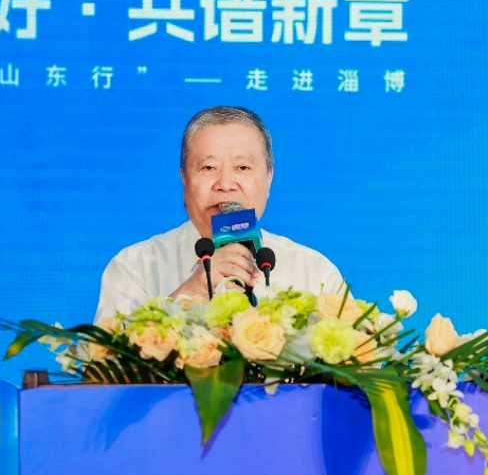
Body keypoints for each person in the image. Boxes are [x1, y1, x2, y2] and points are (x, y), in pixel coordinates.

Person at [95, 106, 344, 320]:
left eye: (242, 167)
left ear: (269, 178)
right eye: (208, 167)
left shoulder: (314, 272)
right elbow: (105, 359)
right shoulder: (134, 267)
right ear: (184, 178)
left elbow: (358, 355)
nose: (225, 184)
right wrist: (192, 291)